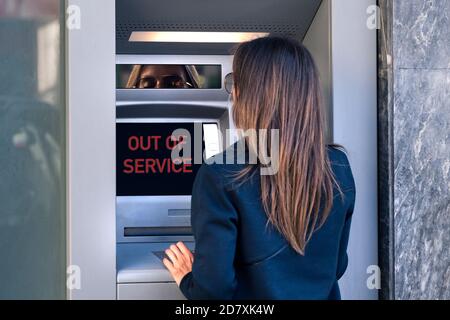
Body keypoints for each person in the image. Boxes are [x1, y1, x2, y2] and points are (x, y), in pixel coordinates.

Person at [162, 36, 356, 300]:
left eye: (235, 83)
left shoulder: (220, 174)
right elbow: (336, 266)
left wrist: (187, 278)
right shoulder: (338, 166)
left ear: (248, 96)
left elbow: (214, 291)